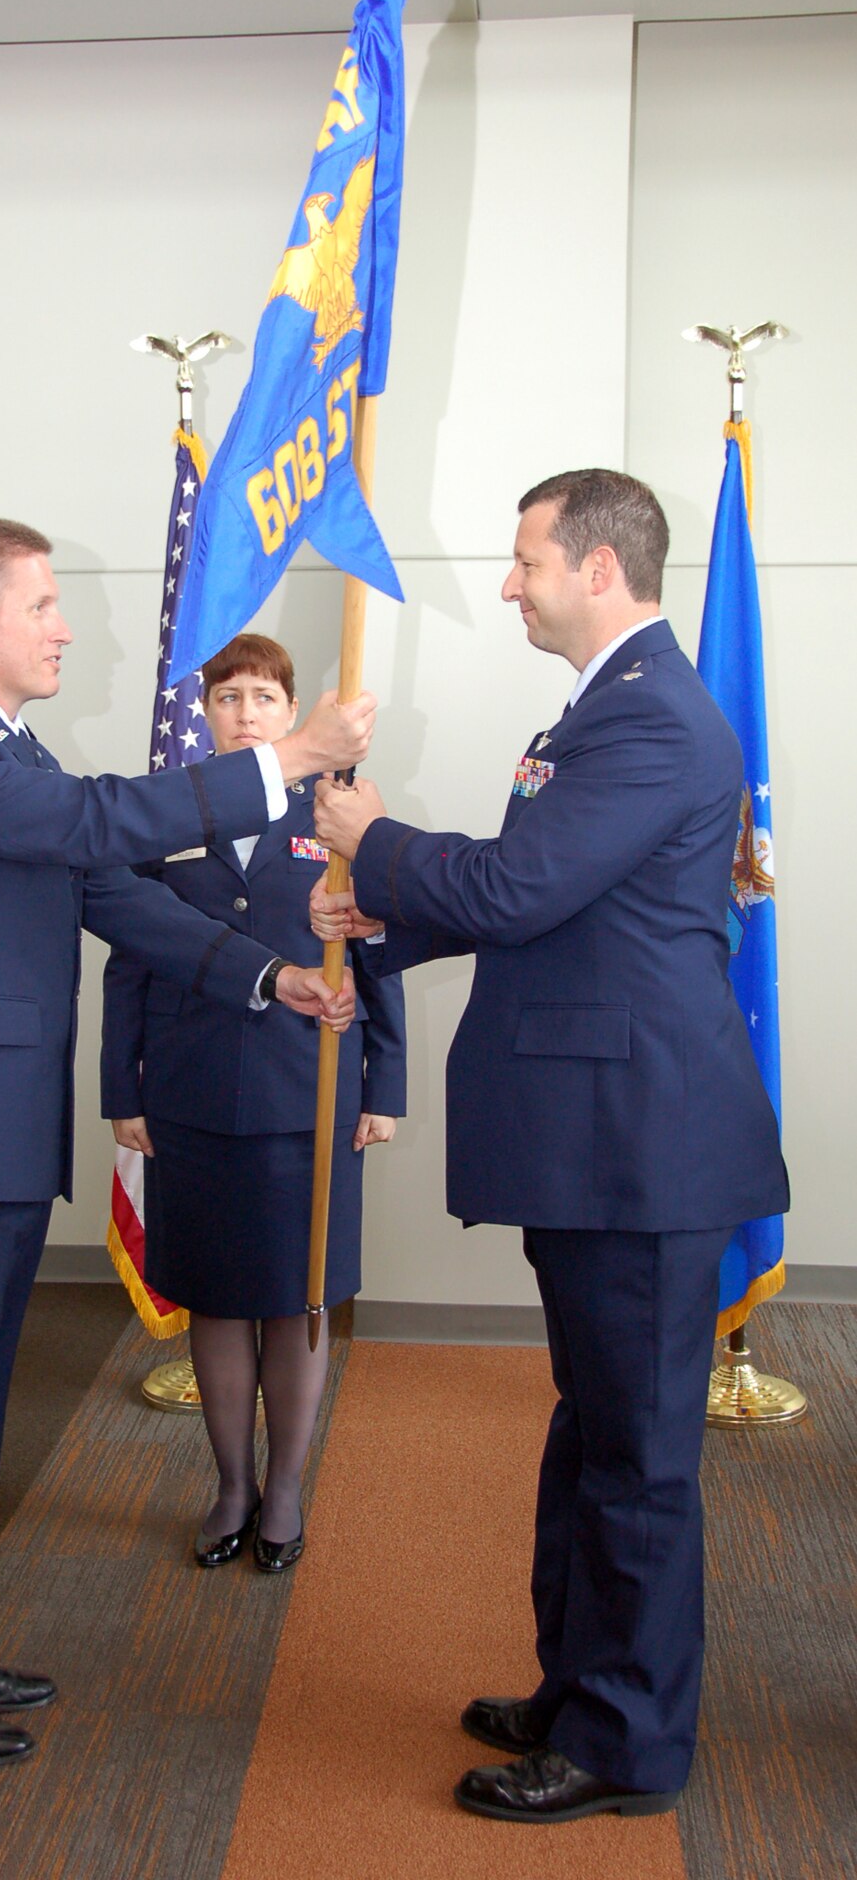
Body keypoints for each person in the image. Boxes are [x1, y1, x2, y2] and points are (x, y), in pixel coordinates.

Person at [0, 518, 376, 1767]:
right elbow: (95, 829)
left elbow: (114, 894)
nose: (65, 624)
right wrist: (281, 756)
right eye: (41, 604)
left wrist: (268, 977)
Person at [310, 469, 789, 1825]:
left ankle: (627, 1742)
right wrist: (383, 909)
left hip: (643, 1153)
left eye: (524, 562)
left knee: (636, 1459)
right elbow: (545, 911)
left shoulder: (651, 723)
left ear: (598, 568)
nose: (508, 584)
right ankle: (578, 1686)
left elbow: (519, 886)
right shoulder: (601, 717)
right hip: (603, 1145)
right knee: (593, 1434)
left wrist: (375, 838)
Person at [102, 635, 406, 1571]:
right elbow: (127, 961)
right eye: (226, 698)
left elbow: (375, 952)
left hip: (304, 1093)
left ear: (292, 711)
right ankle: (230, 1486)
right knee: (217, 1303)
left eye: (263, 697)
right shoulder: (165, 815)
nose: (244, 713)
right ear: (204, 712)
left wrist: (383, 1085)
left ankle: (282, 1493)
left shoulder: (338, 810)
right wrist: (124, 1088)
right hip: (191, 1095)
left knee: (295, 1300)